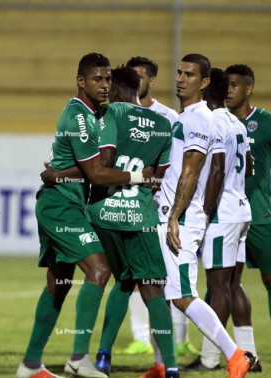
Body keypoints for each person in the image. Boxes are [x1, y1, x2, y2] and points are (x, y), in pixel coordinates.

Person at [16, 53, 150, 378]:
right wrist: (137, 176)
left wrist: (61, 173)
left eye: (108, 79)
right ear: (81, 81)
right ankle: (79, 357)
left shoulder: (97, 113)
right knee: (100, 269)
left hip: (64, 201)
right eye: (97, 79)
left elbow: (97, 164)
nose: (105, 85)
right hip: (60, 207)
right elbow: (96, 173)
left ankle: (31, 363)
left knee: (58, 284)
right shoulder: (78, 116)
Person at [142, 54, 257, 378]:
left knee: (182, 296)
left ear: (204, 82)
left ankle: (236, 355)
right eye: (179, 72)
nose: (180, 78)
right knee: (155, 291)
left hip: (180, 220)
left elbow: (191, 173)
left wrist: (176, 217)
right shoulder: (187, 117)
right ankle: (163, 364)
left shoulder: (198, 119)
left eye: (189, 74)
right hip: (166, 215)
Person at [86, 66, 178, 377]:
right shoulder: (165, 124)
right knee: (153, 288)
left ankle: (103, 355)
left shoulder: (112, 113)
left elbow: (104, 161)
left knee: (122, 281)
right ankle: (171, 366)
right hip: (138, 216)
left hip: (104, 213)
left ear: (118, 91)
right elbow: (158, 176)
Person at [123, 56, 198, 359]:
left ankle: (179, 339)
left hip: (161, 207)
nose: (135, 81)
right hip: (130, 205)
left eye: (141, 76)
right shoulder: (120, 113)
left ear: (152, 80)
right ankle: (142, 338)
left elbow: (178, 162)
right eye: (131, 76)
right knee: (136, 278)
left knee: (171, 277)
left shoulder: (168, 117)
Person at [184, 68, 258, 371]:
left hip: (220, 214)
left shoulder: (212, 120)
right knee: (232, 284)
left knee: (218, 287)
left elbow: (214, 170)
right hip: (241, 208)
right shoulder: (235, 122)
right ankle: (250, 355)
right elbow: (250, 166)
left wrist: (204, 212)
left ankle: (212, 359)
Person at [225, 64, 271, 371]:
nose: (228, 90)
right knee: (223, 282)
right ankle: (221, 353)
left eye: (234, 85)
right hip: (227, 215)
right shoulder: (219, 120)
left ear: (248, 88)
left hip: (262, 217)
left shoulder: (269, 123)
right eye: (225, 85)